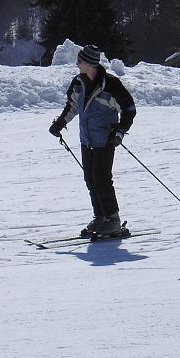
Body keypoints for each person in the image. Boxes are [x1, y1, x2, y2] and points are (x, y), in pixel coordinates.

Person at [48, 44, 137, 237]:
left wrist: (120, 131)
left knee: (102, 179)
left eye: (80, 61)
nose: (77, 64)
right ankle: (100, 217)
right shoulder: (78, 83)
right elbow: (72, 106)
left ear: (89, 63)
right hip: (86, 139)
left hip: (105, 139)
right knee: (90, 179)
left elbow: (129, 109)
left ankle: (112, 221)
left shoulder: (111, 84)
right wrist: (59, 124)